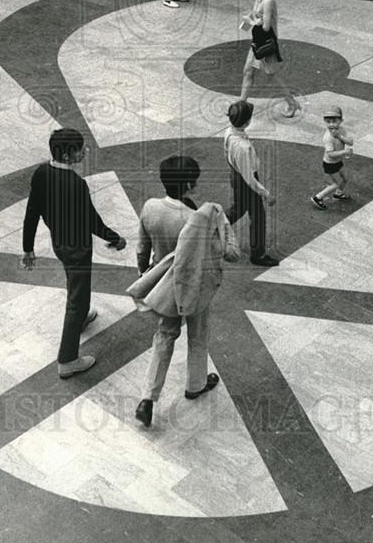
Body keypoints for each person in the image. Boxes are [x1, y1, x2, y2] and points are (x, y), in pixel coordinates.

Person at [134, 156, 239, 428]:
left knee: (164, 336)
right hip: (194, 286)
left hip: (165, 286)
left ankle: (148, 397)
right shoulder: (196, 220)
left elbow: (142, 249)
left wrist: (145, 273)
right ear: (190, 184)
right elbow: (219, 255)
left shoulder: (150, 207)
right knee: (198, 334)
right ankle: (196, 384)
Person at [21, 127, 127, 379]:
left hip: (60, 244)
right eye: (80, 149)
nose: (85, 151)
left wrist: (28, 247)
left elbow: (32, 212)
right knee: (77, 300)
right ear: (68, 156)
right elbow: (92, 221)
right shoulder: (76, 185)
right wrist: (116, 238)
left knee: (76, 286)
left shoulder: (41, 173)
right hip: (78, 248)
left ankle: (80, 320)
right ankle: (67, 360)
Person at [223, 100, 278, 267]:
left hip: (235, 174)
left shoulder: (229, 133)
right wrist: (266, 193)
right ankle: (258, 254)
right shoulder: (243, 147)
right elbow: (250, 179)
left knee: (238, 208)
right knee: (258, 216)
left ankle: (213, 227)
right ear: (246, 122)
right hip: (245, 181)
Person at [239, 0, 299, 117]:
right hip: (258, 40)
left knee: (272, 74)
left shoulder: (268, 0)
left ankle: (291, 102)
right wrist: (251, 19)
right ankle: (241, 106)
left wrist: (251, 22)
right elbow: (257, 16)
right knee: (248, 71)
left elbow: (265, 27)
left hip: (266, 42)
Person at [311, 106, 354, 210]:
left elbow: (350, 142)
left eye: (334, 121)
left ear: (341, 120)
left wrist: (339, 136)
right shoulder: (328, 137)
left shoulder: (341, 130)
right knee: (335, 183)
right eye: (328, 121)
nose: (331, 124)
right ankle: (317, 198)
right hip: (330, 163)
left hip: (338, 161)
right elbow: (330, 154)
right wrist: (344, 151)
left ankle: (338, 194)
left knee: (345, 178)